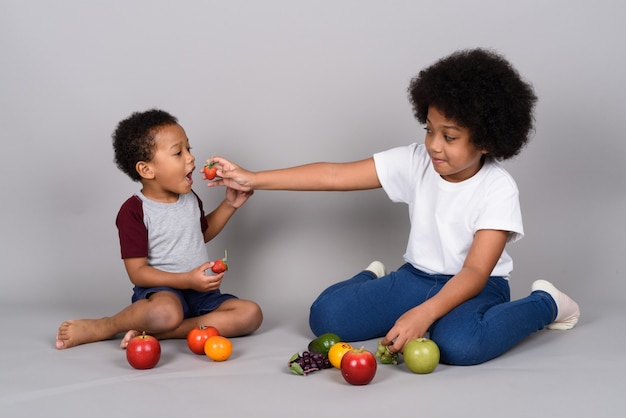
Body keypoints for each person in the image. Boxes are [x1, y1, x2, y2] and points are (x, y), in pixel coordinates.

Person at [207, 48, 580, 365]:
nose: (434, 145)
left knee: (460, 345)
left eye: (449, 136)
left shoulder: (498, 188)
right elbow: (335, 176)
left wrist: (424, 314)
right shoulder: (417, 161)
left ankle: (547, 302)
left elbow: (475, 272)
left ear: (486, 142)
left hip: (479, 286)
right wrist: (252, 178)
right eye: (428, 129)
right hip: (415, 277)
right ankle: (372, 276)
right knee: (325, 317)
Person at [56, 109, 262, 350]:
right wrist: (186, 279)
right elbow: (138, 273)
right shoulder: (134, 211)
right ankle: (107, 325)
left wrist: (229, 205)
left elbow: (200, 235)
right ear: (146, 170)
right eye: (178, 152)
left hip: (200, 292)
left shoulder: (190, 198)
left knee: (250, 314)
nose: (191, 159)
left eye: (189, 149)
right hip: (163, 293)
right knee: (165, 313)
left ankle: (162, 334)